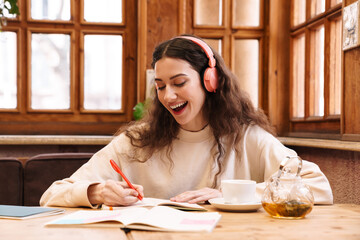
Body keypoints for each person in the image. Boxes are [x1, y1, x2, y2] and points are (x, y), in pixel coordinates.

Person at [40, 35, 333, 208]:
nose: (168, 96)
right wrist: (96, 191)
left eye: (179, 82)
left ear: (210, 80)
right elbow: (51, 194)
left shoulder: (247, 138)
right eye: (160, 86)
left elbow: (318, 187)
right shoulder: (136, 141)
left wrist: (228, 195)